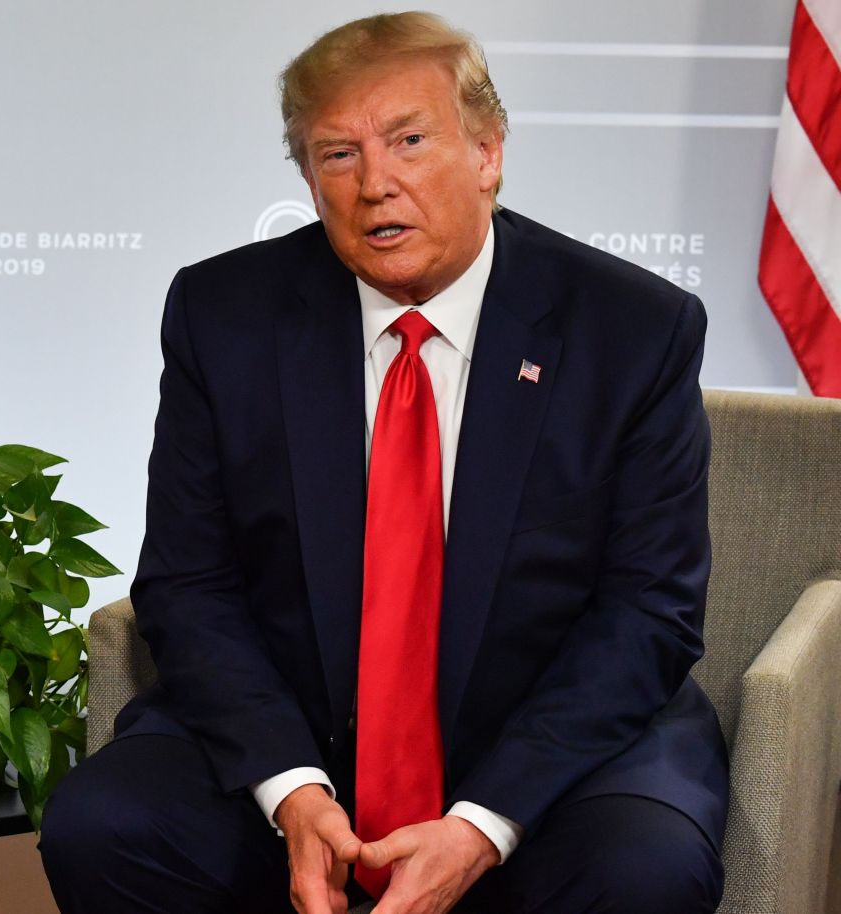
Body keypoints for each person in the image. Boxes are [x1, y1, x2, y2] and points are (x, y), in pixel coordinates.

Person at [40, 12, 726, 914]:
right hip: (298, 733)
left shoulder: (632, 330)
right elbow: (188, 582)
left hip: (550, 752)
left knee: (643, 871)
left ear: (488, 151)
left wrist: (483, 821)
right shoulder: (225, 314)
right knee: (104, 827)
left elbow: (649, 611)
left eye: (408, 141)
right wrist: (291, 788)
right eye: (337, 155)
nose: (375, 185)